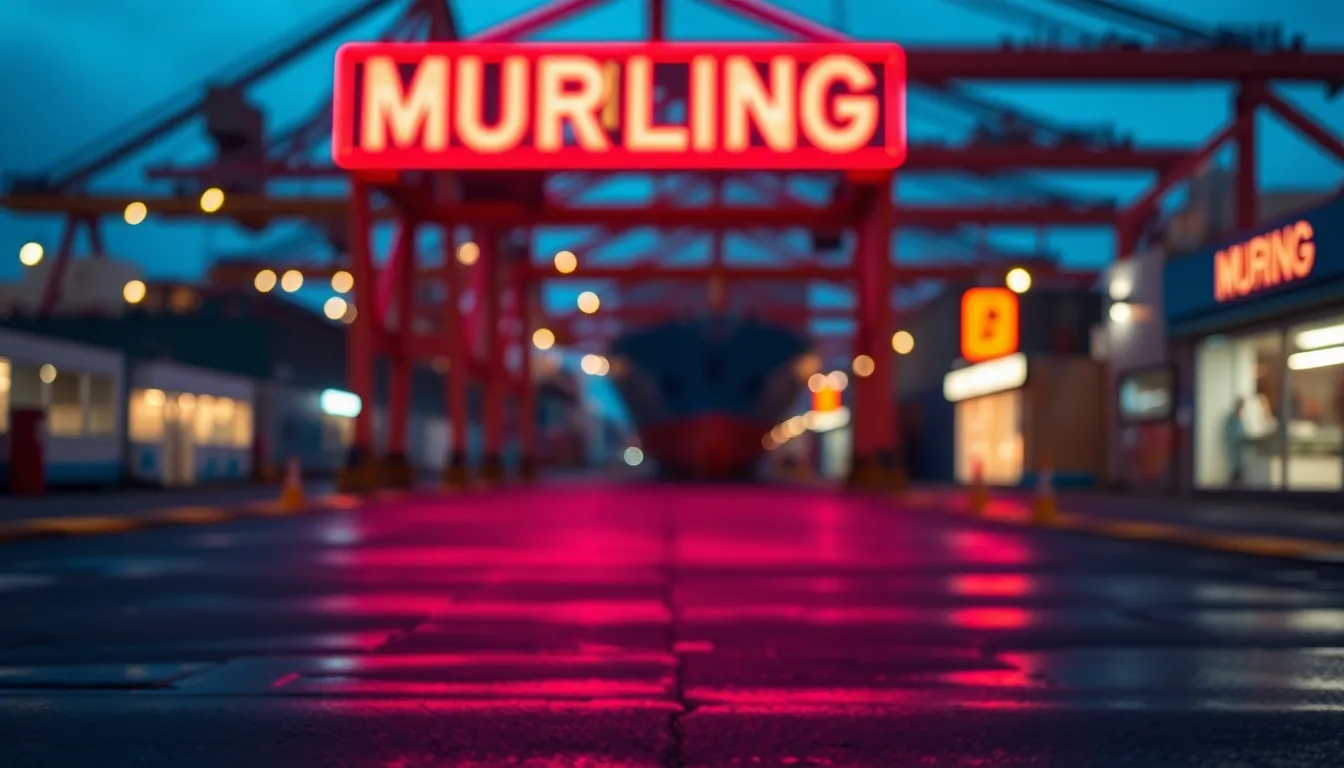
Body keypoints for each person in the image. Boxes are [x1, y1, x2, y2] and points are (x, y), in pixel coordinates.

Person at [1224, 396, 1246, 486]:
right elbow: (1232, 435)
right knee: (1235, 469)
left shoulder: (1239, 419)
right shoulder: (1232, 419)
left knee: (1239, 469)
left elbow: (1243, 433)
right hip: (1234, 448)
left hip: (1239, 450)